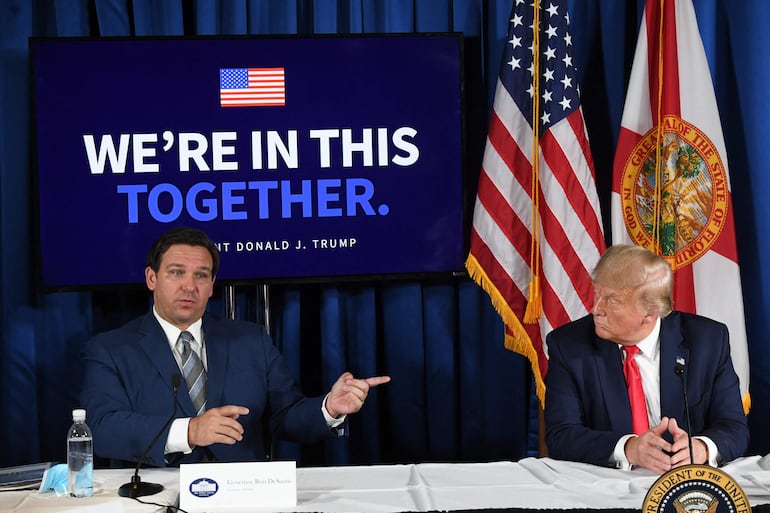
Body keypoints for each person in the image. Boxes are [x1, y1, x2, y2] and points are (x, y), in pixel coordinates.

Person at [81, 227, 390, 466]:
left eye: (201, 275)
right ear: (152, 278)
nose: (189, 286)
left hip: (243, 495)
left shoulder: (251, 340)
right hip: (156, 495)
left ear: (212, 285)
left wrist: (328, 409)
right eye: (176, 273)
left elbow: (286, 416)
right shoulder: (110, 349)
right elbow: (101, 427)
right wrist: (189, 431)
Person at [544, 244, 748, 474]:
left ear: (651, 312)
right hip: (607, 485)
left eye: (612, 301)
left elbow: (734, 427)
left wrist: (701, 448)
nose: (596, 309)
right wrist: (629, 449)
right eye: (597, 295)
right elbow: (561, 435)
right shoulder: (569, 346)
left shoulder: (707, 341)